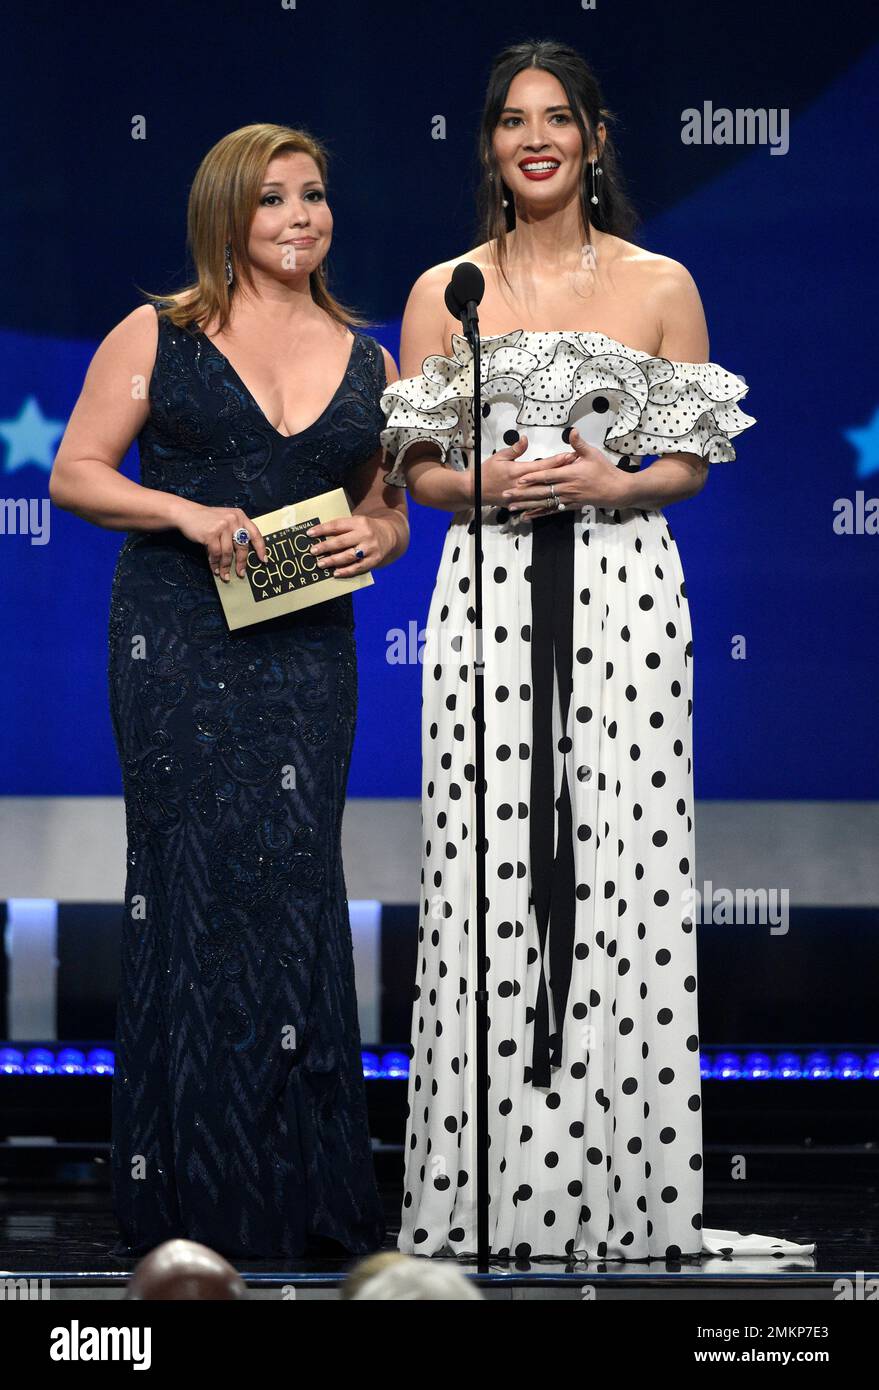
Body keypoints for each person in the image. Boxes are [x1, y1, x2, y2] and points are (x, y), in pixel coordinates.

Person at [380, 42, 815, 1262]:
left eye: (556, 119)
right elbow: (414, 469)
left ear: (595, 138)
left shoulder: (660, 282)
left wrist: (615, 480)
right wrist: (486, 481)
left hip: (624, 600)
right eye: (513, 120)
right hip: (492, 597)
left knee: (617, 867)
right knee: (491, 875)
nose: (536, 139)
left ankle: (622, 1199)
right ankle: (489, 1200)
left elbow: (692, 458)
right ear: (488, 146)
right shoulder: (443, 291)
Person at [50, 122, 405, 1258]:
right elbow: (76, 472)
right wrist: (189, 513)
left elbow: (386, 505)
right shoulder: (160, 333)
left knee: (297, 894)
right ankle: (190, 1201)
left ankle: (303, 1193)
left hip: (308, 647)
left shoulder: (371, 357)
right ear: (227, 219)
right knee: (191, 898)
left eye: (313, 195)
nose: (300, 217)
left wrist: (380, 541)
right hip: (178, 643)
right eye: (272, 201)